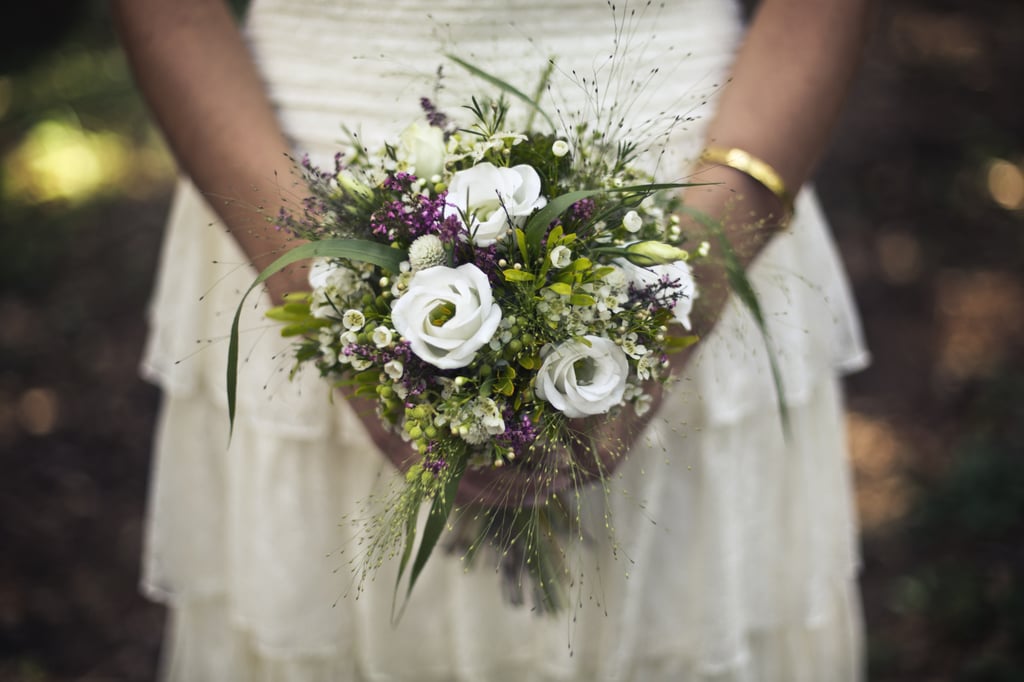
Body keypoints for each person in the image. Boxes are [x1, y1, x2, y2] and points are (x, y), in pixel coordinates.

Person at [113, 0, 873, 679]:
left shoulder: (690, 265)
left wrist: (685, 295)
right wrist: (326, 303)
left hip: (691, 196)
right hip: (287, 191)